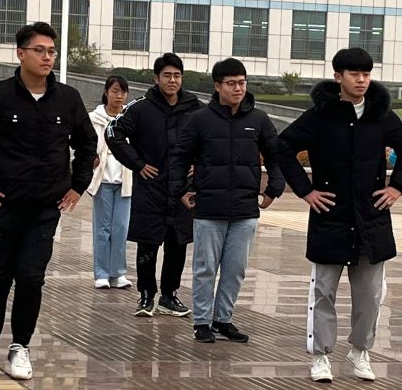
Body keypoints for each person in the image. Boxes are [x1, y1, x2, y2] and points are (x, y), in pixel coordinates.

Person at [0, 22, 96, 382]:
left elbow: (87, 142)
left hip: (45, 208)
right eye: (39, 50)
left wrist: (78, 185)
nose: (47, 57)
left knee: (31, 278)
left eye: (51, 51)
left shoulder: (68, 98)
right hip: (2, 204)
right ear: (20, 54)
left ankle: (20, 347)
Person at [277, 48, 402, 383]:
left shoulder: (380, 114)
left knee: (370, 295)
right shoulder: (320, 116)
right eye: (354, 74)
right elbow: (283, 147)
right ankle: (321, 355)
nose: (362, 80)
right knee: (323, 291)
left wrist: (397, 186)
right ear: (338, 76)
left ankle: (360, 351)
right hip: (330, 216)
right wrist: (306, 190)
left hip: (371, 217)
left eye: (366, 74)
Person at [169, 58, 284, 343]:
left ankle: (223, 319)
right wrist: (180, 190)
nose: (238, 89)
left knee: (235, 270)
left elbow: (275, 155)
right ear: (217, 86)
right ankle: (202, 322)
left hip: (245, 210)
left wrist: (274, 189)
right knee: (205, 269)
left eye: (242, 83)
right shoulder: (200, 120)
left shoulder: (259, 120)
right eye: (231, 83)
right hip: (208, 208)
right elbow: (179, 157)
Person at [106, 53, 203, 318]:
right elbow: (113, 133)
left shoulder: (196, 108)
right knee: (148, 244)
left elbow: (209, 139)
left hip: (182, 190)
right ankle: (146, 296)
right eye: (167, 75)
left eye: (177, 75)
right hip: (151, 188)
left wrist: (198, 164)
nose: (172, 80)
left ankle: (169, 296)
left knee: (177, 244)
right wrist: (138, 164)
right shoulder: (141, 107)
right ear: (156, 78)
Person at [88, 76, 134, 289]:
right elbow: (83, 143)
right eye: (115, 91)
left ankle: (118, 273)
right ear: (106, 92)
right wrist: (91, 158)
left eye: (123, 92)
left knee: (121, 228)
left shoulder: (130, 118)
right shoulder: (94, 118)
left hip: (125, 181)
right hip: (103, 180)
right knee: (102, 228)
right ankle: (101, 273)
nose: (119, 96)